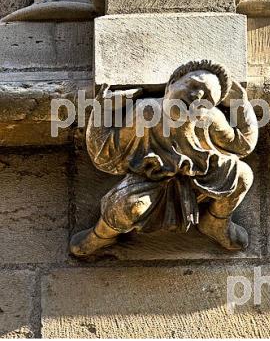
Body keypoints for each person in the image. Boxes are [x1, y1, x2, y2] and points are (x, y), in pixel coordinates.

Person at [70, 60, 258, 257]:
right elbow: (104, 154)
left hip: (197, 181)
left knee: (242, 175)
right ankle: (100, 236)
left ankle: (216, 221)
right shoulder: (146, 111)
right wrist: (103, 109)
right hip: (151, 182)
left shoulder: (210, 120)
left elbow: (243, 144)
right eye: (193, 85)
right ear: (171, 84)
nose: (197, 96)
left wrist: (241, 104)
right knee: (127, 207)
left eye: (207, 98)